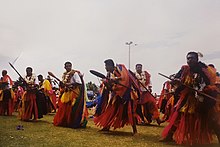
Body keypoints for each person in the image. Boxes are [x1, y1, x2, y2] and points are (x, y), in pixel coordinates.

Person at [160, 51, 220, 145]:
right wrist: (175, 81)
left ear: (197, 59)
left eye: (192, 58)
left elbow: (208, 84)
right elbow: (176, 79)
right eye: (188, 58)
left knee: (210, 119)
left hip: (201, 98)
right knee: (178, 116)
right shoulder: (185, 69)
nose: (189, 60)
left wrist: (201, 90)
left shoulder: (203, 70)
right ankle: (169, 136)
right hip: (188, 97)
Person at [93, 59, 139, 135]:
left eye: (106, 66)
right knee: (110, 110)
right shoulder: (108, 75)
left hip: (127, 94)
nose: (105, 68)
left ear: (110, 66)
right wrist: (107, 83)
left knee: (130, 112)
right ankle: (106, 127)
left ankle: (135, 130)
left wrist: (114, 79)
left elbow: (124, 77)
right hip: (116, 95)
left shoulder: (120, 67)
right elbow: (110, 88)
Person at [53, 61, 88, 128]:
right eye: (67, 66)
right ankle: (65, 122)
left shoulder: (74, 73)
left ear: (71, 66)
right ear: (64, 67)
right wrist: (62, 84)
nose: (68, 67)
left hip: (73, 92)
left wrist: (69, 84)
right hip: (66, 92)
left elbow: (79, 83)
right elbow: (63, 84)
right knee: (64, 107)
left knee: (73, 108)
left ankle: (73, 122)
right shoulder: (64, 74)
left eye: (69, 66)